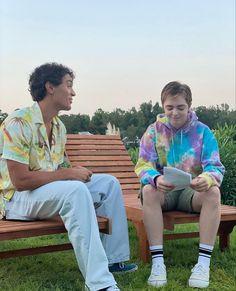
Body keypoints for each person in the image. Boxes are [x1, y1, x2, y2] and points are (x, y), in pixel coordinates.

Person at [0, 63, 137, 291]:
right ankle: (99, 283)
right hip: (15, 200)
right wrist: (68, 174)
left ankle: (113, 260)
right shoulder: (17, 123)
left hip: (44, 195)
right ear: (50, 87)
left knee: (109, 184)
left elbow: (60, 169)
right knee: (75, 191)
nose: (73, 92)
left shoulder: (59, 127)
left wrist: (75, 172)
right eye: (69, 85)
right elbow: (21, 181)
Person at [135, 81, 224, 289]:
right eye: (169, 108)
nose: (175, 113)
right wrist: (156, 178)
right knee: (148, 190)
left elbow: (216, 166)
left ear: (189, 106)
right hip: (163, 191)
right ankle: (158, 264)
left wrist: (207, 179)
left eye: (180, 107)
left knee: (213, 193)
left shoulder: (203, 132)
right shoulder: (153, 131)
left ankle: (203, 264)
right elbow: (142, 165)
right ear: (163, 107)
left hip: (191, 192)